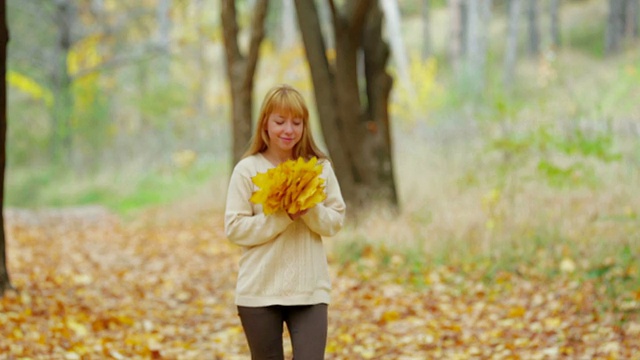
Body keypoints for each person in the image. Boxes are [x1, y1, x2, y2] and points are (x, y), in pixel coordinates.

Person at [224, 84, 346, 359]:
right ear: (265, 123)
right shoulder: (247, 170)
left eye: (296, 122)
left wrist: (308, 207)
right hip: (259, 291)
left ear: (305, 126)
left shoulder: (319, 168)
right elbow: (234, 229)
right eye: (280, 122)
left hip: (310, 292)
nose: (288, 130)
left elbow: (335, 221)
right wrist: (283, 216)